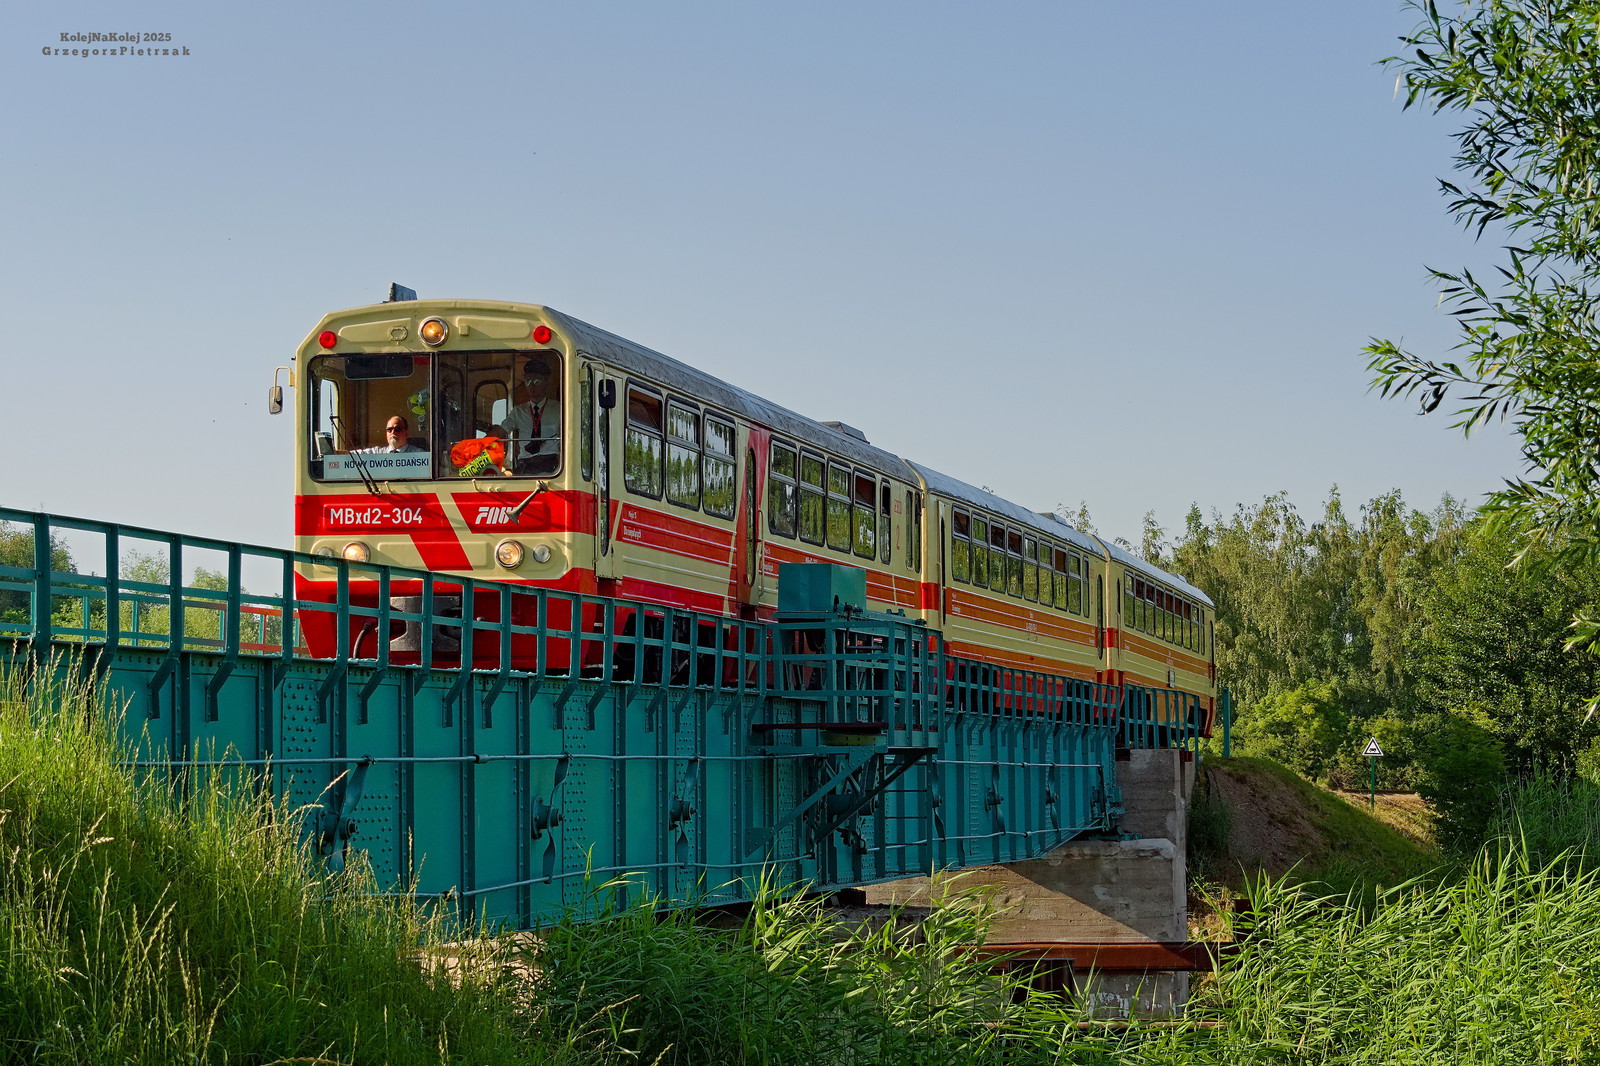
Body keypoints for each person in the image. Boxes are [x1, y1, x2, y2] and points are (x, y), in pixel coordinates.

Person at [497, 355, 561, 475]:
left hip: (550, 467)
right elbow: (501, 431)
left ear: (546, 383)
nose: (532, 386)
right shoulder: (518, 411)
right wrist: (479, 445)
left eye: (537, 381)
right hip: (525, 466)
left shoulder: (558, 409)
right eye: (528, 381)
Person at [356, 415, 425, 453]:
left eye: (397, 429)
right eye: (389, 429)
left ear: (406, 432)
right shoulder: (378, 453)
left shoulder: (419, 455)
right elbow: (355, 455)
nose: (393, 432)